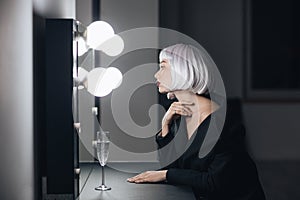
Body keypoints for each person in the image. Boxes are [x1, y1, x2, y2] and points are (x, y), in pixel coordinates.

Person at [127, 44, 265, 200]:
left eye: (163, 67)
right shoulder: (179, 114)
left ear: (183, 71)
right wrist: (165, 126)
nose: (156, 75)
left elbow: (214, 182)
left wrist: (165, 175)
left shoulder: (222, 122)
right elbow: (172, 168)